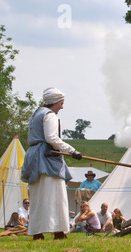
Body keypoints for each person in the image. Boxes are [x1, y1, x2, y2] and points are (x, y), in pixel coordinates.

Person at [21, 87, 82, 240]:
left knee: (38, 197)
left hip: (34, 156)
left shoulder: (36, 113)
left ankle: (38, 233)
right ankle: (59, 232)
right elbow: (51, 138)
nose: (62, 107)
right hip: (46, 159)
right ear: (54, 102)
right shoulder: (49, 115)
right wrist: (72, 151)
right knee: (56, 195)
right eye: (61, 103)